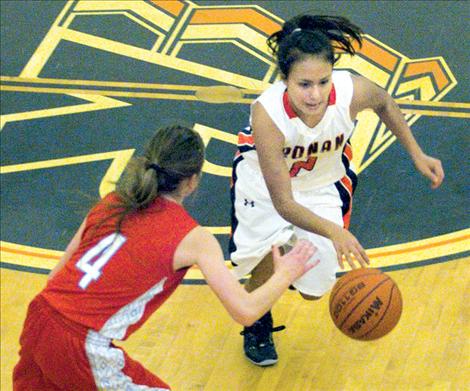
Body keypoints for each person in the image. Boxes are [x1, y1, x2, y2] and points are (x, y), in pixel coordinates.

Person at [13, 125, 318, 391]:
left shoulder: (113, 201)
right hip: (81, 344)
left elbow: (56, 277)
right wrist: (285, 274)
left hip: (39, 317)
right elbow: (246, 311)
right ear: (193, 180)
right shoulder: (193, 238)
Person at [229, 14, 445, 367]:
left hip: (322, 184)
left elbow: (384, 102)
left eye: (322, 82)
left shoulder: (350, 91)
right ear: (285, 79)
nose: (315, 94)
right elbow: (283, 203)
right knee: (269, 255)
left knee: (315, 291)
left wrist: (417, 153)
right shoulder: (266, 115)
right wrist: (333, 232)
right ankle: (257, 319)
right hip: (265, 189)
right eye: (304, 85)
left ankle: (288, 255)